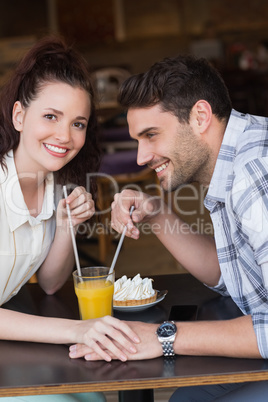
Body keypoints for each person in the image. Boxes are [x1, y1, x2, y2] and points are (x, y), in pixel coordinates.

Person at [69, 54, 268, 401]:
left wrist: (163, 336)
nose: (141, 157)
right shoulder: (233, 158)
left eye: (151, 135)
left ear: (200, 117)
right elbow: (232, 273)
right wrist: (157, 214)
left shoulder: (254, 173)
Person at [0, 36, 140, 402]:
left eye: (78, 124)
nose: (64, 136)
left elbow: (48, 283)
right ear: (19, 116)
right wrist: (78, 330)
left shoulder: (56, 186)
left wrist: (65, 227)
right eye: (51, 117)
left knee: (92, 395)